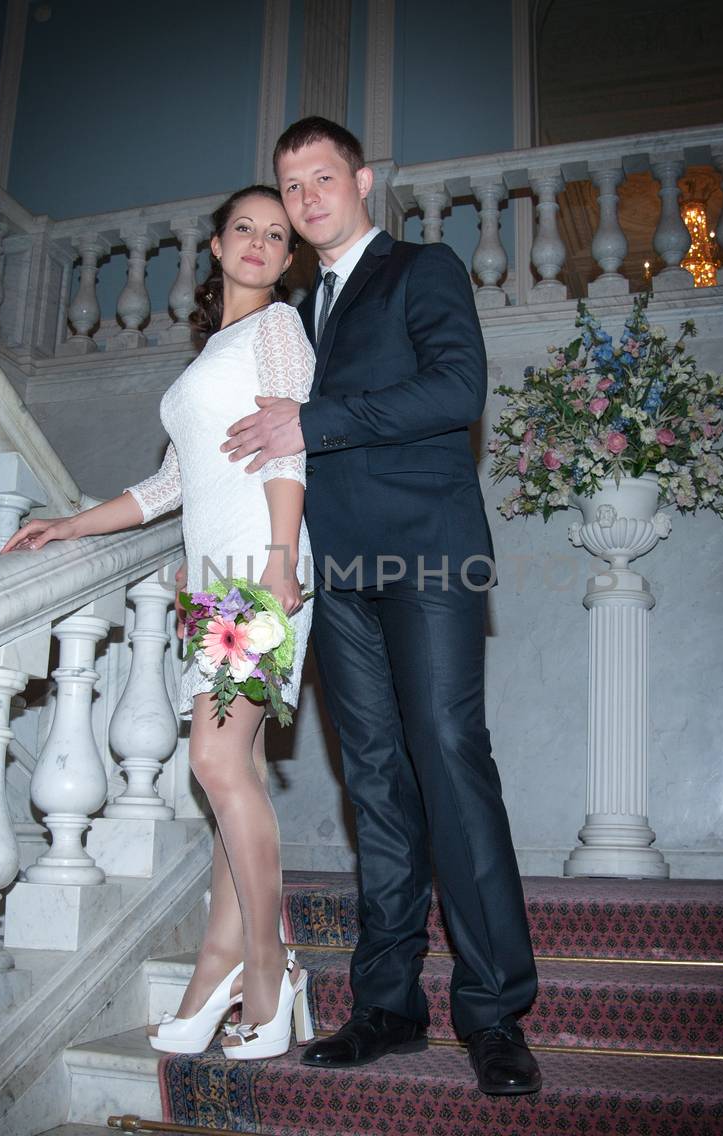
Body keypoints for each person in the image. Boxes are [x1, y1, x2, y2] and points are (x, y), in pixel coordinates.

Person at [223, 117, 541, 1095]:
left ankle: (492, 1011)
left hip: (429, 554)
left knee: (448, 754)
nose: (309, 195)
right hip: (332, 573)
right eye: (292, 182)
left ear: (361, 180)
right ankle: (388, 1003)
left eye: (324, 176)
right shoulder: (291, 312)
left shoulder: (421, 268)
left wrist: (311, 419)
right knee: (373, 782)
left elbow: (457, 388)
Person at [2, 185, 314, 1061]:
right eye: (243, 229)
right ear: (215, 248)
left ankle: (271, 966)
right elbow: (169, 487)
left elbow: (288, 446)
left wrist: (282, 560)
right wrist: (71, 523)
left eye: (276, 235)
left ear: (288, 259)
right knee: (234, 774)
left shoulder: (277, 332)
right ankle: (219, 966)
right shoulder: (211, 352)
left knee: (215, 762)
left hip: (261, 568)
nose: (258, 243)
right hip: (209, 582)